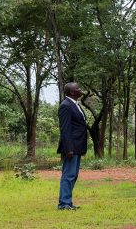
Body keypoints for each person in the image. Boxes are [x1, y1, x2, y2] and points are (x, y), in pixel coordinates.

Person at [57, 82, 87, 210]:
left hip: (78, 146)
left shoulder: (75, 104)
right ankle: (63, 204)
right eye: (78, 88)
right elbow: (65, 129)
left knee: (73, 175)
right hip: (71, 147)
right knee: (68, 175)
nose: (80, 90)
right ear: (72, 92)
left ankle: (67, 202)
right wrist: (68, 148)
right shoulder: (66, 106)